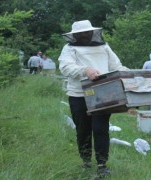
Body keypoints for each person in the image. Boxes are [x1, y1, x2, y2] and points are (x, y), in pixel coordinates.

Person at [58, 20, 129, 178]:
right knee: (83, 130)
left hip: (103, 93)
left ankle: (102, 165)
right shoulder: (69, 49)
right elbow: (65, 66)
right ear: (74, 35)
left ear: (92, 32)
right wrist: (85, 70)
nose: (84, 35)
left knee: (100, 129)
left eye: (87, 32)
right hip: (78, 95)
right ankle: (86, 162)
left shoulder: (103, 46)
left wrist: (129, 75)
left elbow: (116, 65)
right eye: (80, 33)